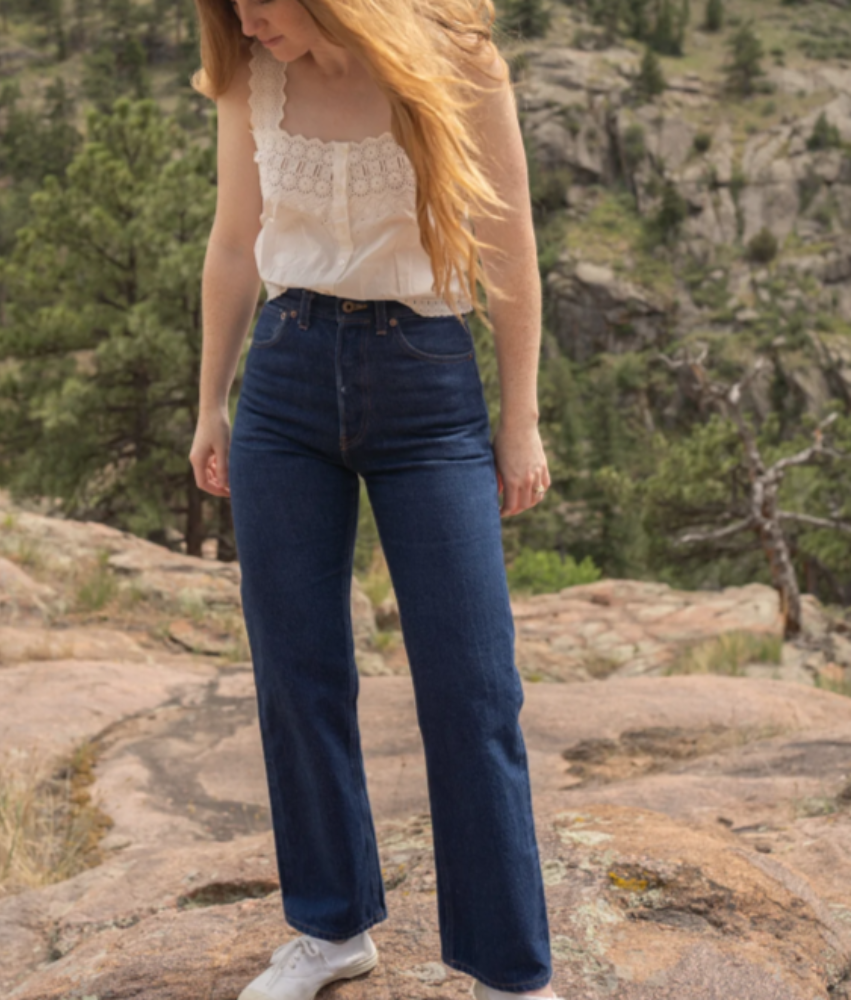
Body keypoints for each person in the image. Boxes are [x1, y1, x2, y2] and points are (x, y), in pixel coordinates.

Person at [188, 0, 561, 995]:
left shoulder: (458, 59)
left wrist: (519, 420)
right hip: (285, 380)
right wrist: (211, 403)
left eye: (259, 0)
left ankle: (510, 971)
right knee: (297, 673)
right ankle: (331, 927)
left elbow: (509, 244)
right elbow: (234, 243)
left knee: (473, 686)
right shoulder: (251, 77)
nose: (244, 20)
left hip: (426, 382)